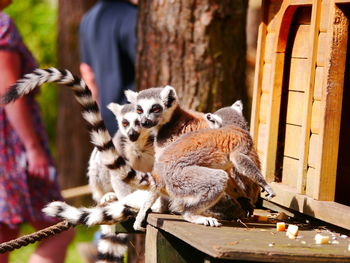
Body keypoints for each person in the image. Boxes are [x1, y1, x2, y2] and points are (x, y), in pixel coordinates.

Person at [0, 1, 74, 262]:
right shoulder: (2, 24)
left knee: (5, 233)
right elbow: (9, 91)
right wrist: (32, 147)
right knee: (60, 230)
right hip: (10, 147)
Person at [79, 0, 137, 136]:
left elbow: (87, 72)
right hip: (136, 121)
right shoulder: (132, 16)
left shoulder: (88, 19)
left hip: (108, 121)